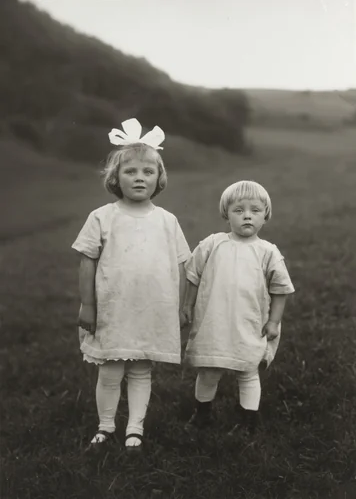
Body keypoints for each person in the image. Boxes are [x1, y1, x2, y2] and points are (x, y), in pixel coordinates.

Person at [72, 118, 190, 450]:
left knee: (140, 370)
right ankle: (106, 426)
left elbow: (182, 265)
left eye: (147, 172)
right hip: (113, 308)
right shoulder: (102, 217)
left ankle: (135, 428)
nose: (139, 177)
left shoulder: (167, 221)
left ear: (159, 178)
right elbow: (87, 260)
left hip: (151, 309)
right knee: (110, 371)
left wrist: (182, 306)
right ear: (115, 178)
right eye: (131, 171)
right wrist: (88, 304)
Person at [183, 180, 294, 436]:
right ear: (226, 214)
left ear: (265, 215)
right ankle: (202, 415)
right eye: (238, 210)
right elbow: (192, 275)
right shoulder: (212, 244)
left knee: (248, 370)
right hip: (214, 321)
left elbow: (280, 290)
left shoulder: (268, 252)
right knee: (209, 369)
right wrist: (187, 305)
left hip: (250, 322)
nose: (246, 215)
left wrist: (274, 322)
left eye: (255, 210)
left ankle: (248, 422)